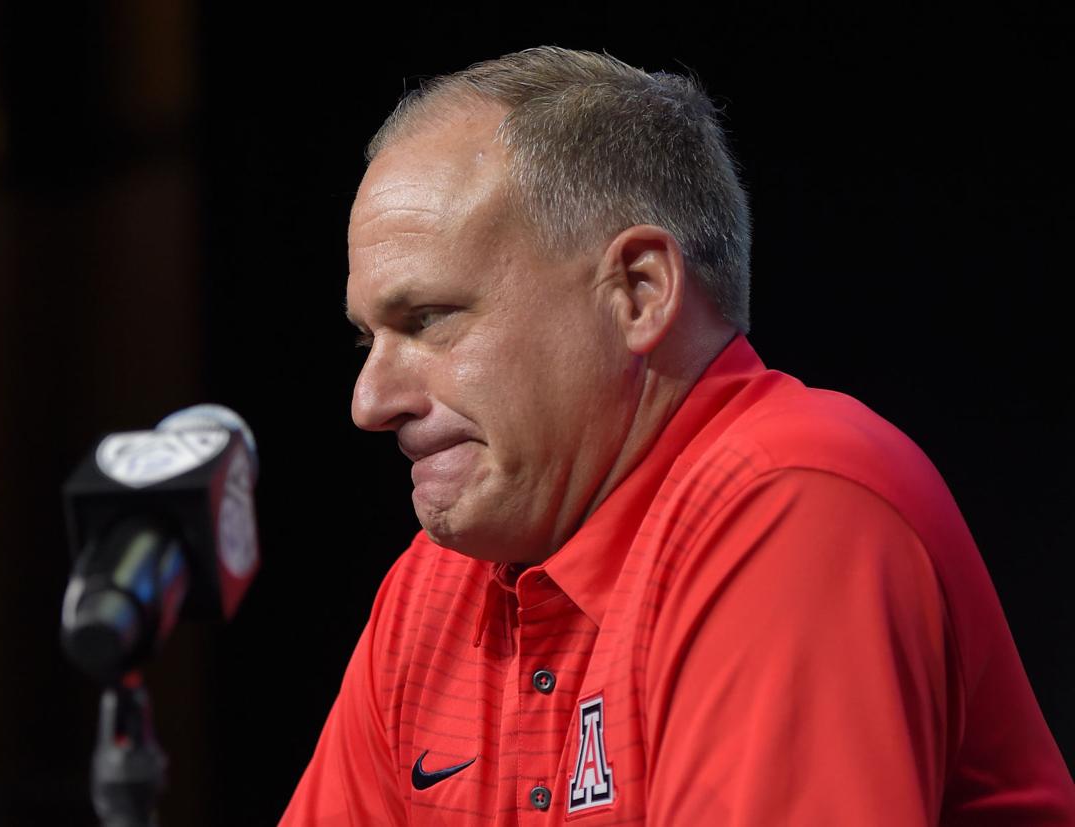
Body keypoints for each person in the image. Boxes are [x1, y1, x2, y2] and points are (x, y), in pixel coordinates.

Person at [281, 47, 1075, 825]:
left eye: (428, 320)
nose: (369, 403)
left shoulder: (792, 505)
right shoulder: (432, 589)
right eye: (368, 340)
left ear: (639, 290)